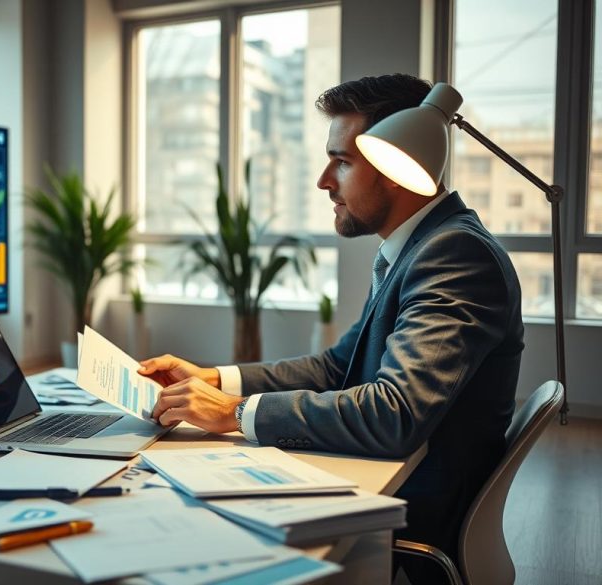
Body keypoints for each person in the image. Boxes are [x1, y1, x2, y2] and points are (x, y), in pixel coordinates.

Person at [141, 73, 524, 578]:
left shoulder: (455, 255)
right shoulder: (417, 247)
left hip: (408, 517)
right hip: (391, 488)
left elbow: (394, 413)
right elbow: (339, 365)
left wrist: (235, 412)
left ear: (395, 166)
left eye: (342, 162)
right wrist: (215, 379)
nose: (324, 181)